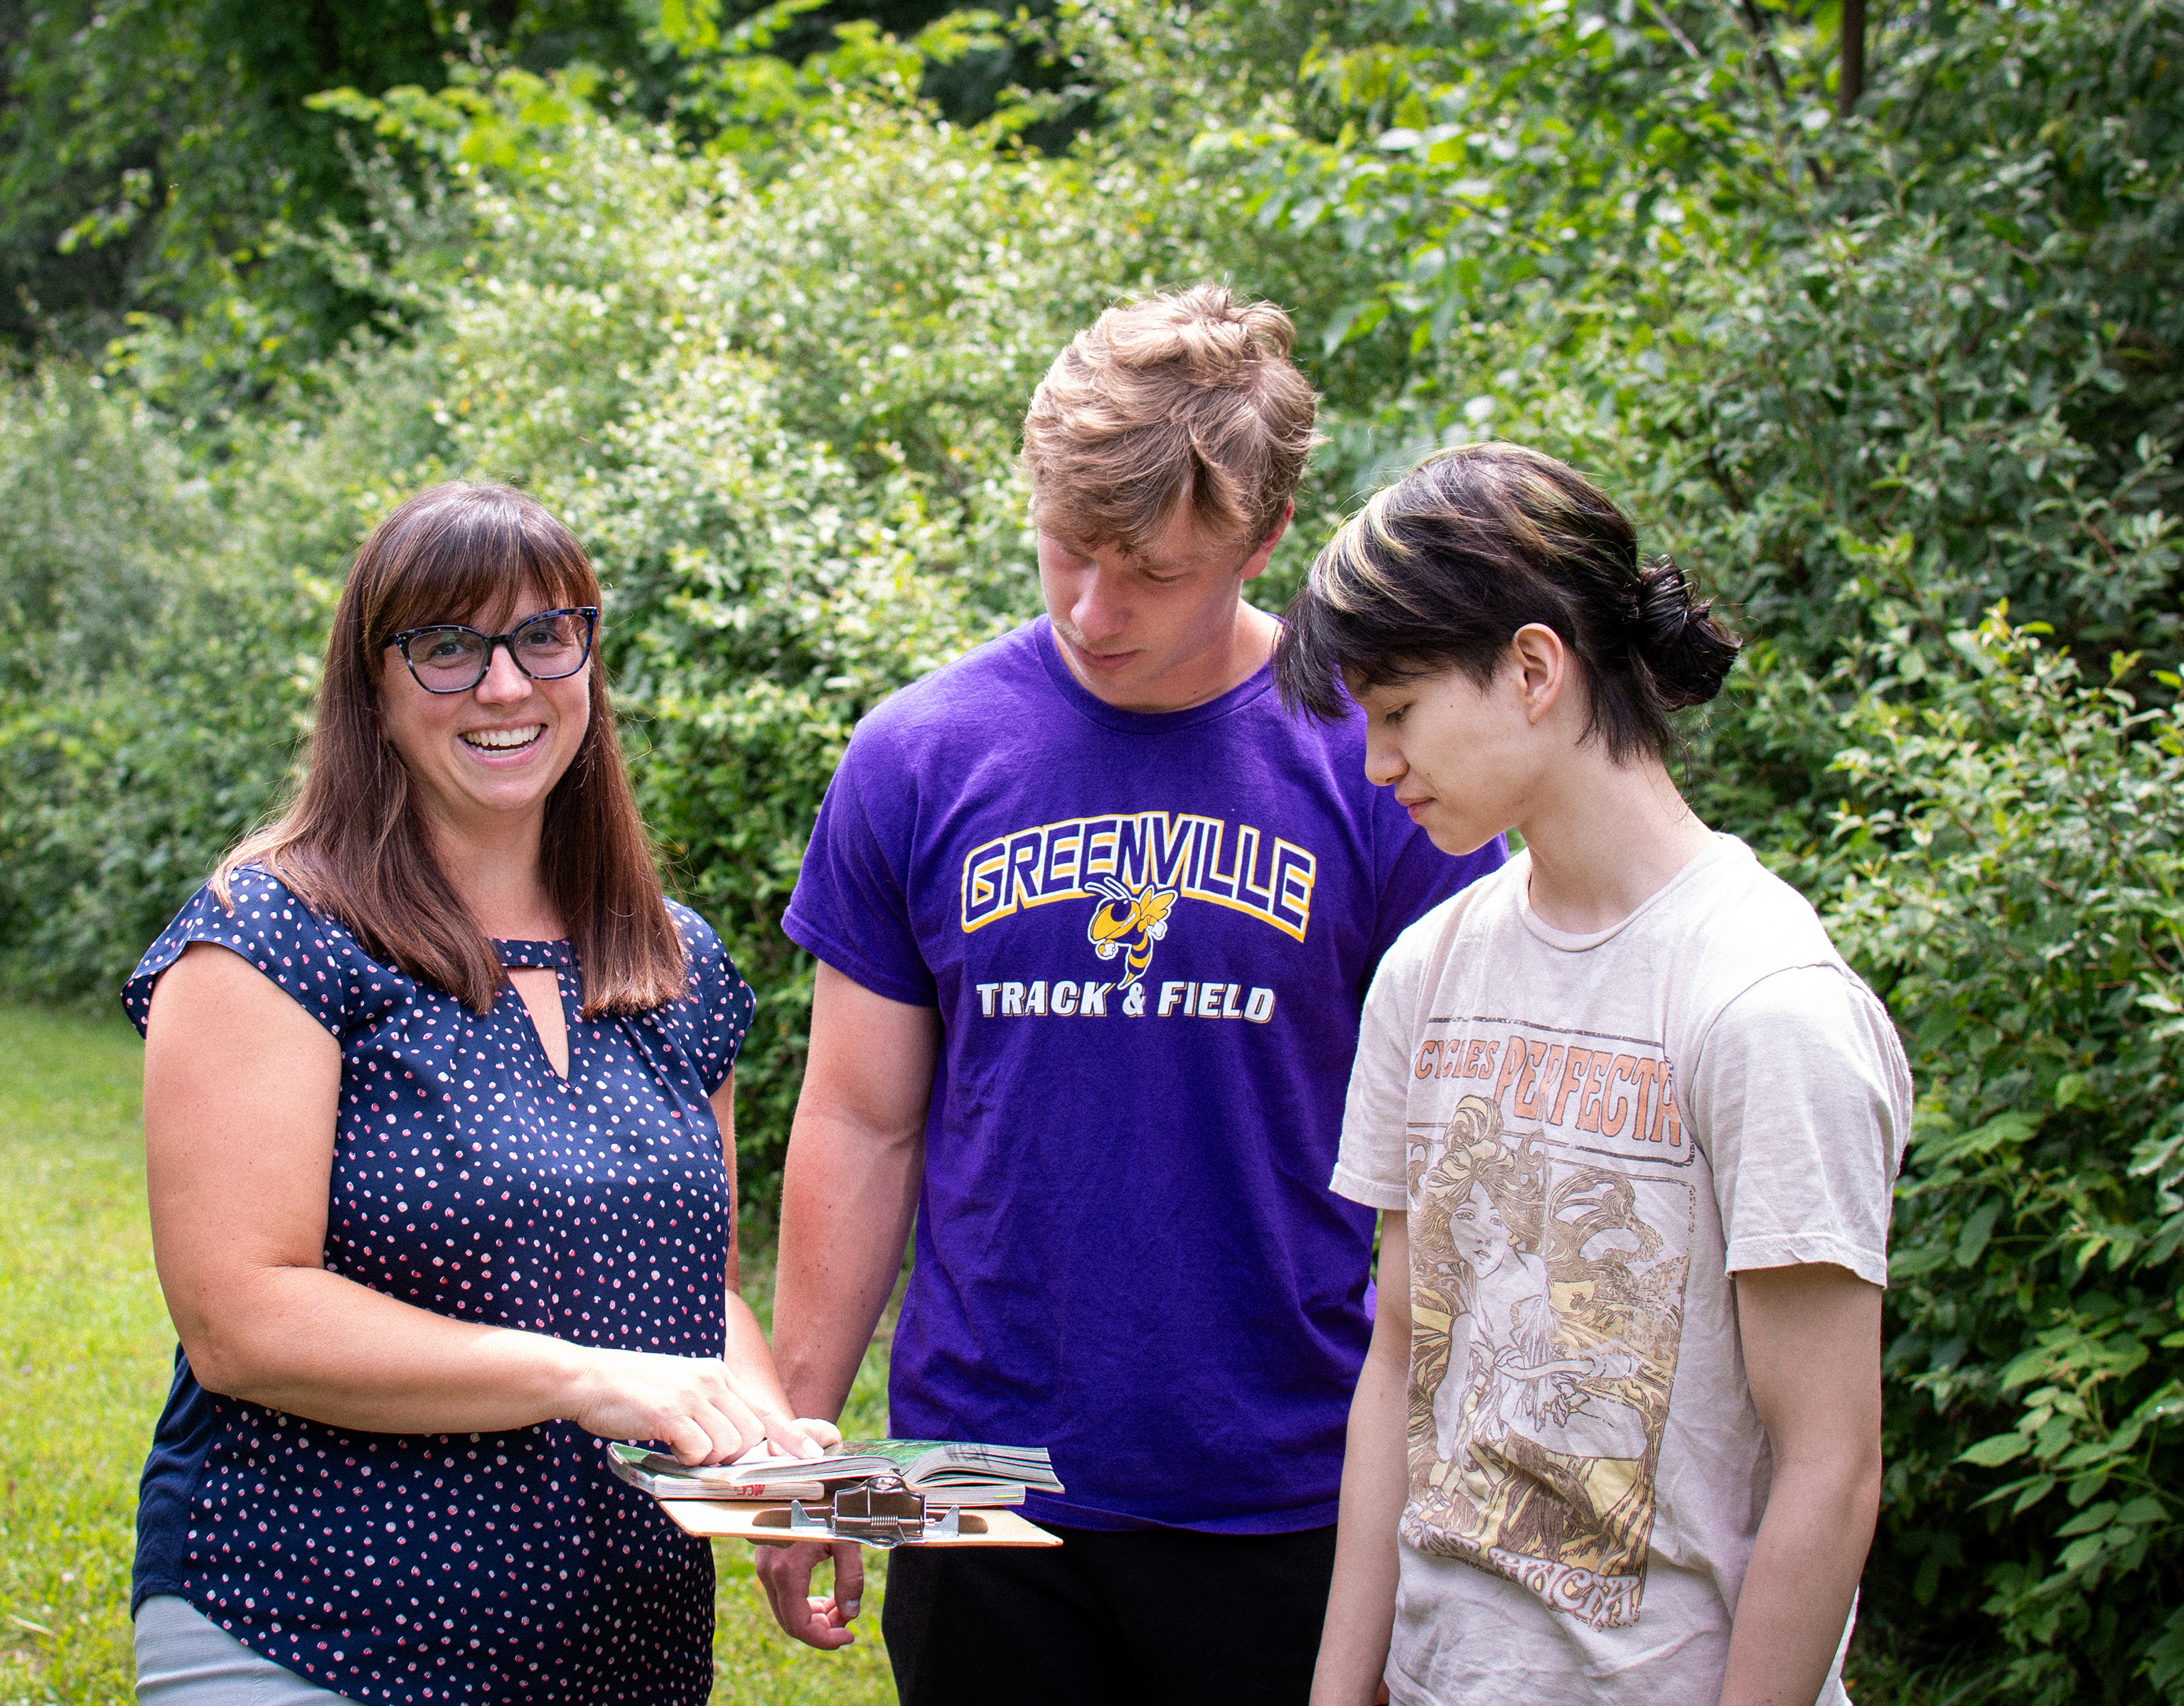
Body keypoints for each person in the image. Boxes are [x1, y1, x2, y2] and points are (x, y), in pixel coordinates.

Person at [754, 286, 1504, 1703]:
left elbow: (1472, 1162)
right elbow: (861, 1123)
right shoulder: (920, 756)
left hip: (1290, 1479)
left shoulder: (1381, 765)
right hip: (972, 1476)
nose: (1096, 610)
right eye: (1066, 551)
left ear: (1268, 536)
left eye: (1153, 570)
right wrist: (810, 1448)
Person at [122, 481, 835, 1706]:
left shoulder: (674, 964)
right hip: (316, 1625)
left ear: (589, 660)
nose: (505, 687)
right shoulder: (271, 936)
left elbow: (693, 1291)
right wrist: (585, 1376)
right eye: (448, 648)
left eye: (543, 637)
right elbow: (241, 1320)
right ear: (376, 690)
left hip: (620, 1650)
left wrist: (763, 1450)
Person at [1287, 444, 1908, 1706]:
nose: (1376, 766)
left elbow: (1830, 1469)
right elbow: (1401, 1361)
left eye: (1398, 712)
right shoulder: (1428, 970)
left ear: (1531, 669)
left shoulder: (1766, 1004)